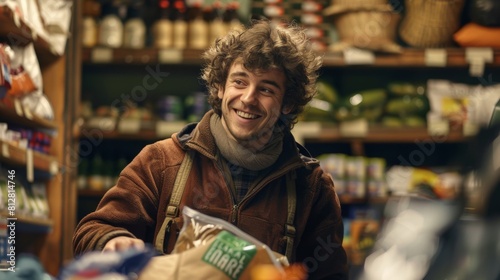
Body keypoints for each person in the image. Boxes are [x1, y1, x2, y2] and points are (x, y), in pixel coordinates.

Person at [73, 19, 348, 279]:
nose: (248, 99)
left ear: (287, 103)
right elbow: (91, 232)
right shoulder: (161, 161)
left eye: (266, 89)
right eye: (239, 82)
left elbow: (331, 274)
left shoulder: (312, 187)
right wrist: (113, 240)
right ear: (219, 87)